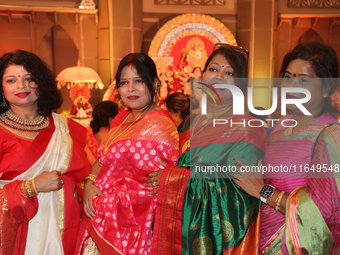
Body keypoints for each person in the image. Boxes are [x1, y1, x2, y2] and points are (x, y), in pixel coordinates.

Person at [149, 44, 267, 254]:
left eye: (229, 73)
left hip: (217, 242)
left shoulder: (248, 128)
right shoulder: (187, 125)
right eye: (213, 69)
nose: (219, 77)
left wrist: (173, 179)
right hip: (175, 232)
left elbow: (239, 193)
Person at [230, 42, 340, 254]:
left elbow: (324, 213)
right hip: (262, 241)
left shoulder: (330, 135)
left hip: (295, 246)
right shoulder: (283, 124)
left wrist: (263, 190)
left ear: (326, 88)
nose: (291, 86)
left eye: (303, 80)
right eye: (288, 77)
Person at [76, 53, 179, 254]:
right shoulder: (121, 120)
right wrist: (89, 183)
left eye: (138, 81)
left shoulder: (161, 126)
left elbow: (153, 187)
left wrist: (110, 201)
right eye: (124, 82)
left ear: (155, 84)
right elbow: (102, 159)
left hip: (134, 229)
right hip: (99, 217)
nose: (130, 89)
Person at [0, 50, 91, 254]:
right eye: (11, 80)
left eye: (29, 78)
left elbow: (92, 172)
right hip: (18, 237)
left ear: (41, 83)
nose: (21, 86)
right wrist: (31, 187)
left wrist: (91, 185)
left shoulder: (66, 128)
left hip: (66, 232)